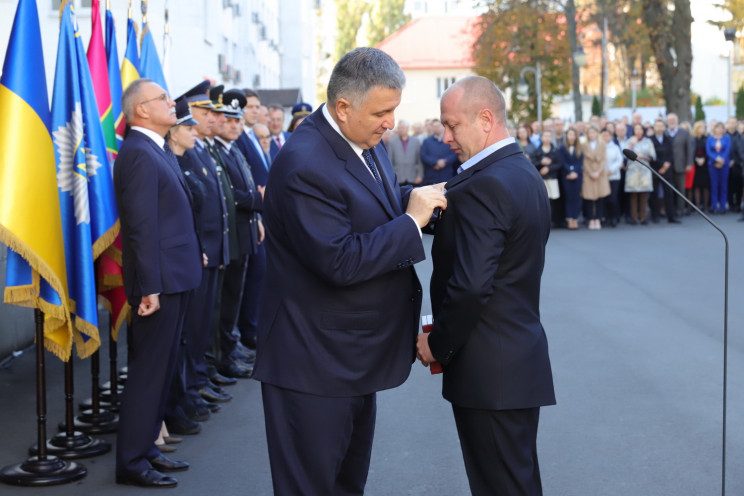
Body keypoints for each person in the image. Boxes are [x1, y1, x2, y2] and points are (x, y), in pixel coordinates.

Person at [253, 47, 447, 495]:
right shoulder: (306, 163)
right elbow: (339, 260)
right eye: (382, 111)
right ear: (344, 107)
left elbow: (376, 201)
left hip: (349, 356)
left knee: (346, 484)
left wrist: (428, 204)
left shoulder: (359, 139)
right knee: (312, 486)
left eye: (394, 110)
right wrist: (411, 221)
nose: (391, 123)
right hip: (313, 363)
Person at [416, 75, 554, 496]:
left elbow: (472, 286)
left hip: (490, 370)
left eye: (452, 125)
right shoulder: (520, 172)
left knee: (501, 486)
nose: (445, 137)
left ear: (486, 119)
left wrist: (436, 344)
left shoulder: (487, 183)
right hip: (514, 362)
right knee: (514, 481)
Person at [114, 79, 202, 488]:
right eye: (163, 99)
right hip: (158, 284)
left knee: (164, 367)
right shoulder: (137, 153)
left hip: (174, 275)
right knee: (149, 372)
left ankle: (146, 447)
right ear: (142, 110)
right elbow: (140, 226)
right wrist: (148, 285)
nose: (172, 103)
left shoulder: (155, 148)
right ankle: (131, 461)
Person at [531, 129, 563, 227]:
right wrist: (541, 163)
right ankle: (543, 221)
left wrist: (549, 168)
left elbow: (560, 164)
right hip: (541, 180)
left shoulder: (555, 150)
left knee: (553, 200)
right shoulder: (537, 151)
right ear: (541, 138)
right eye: (545, 136)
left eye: (549, 136)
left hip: (552, 178)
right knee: (543, 201)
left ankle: (553, 221)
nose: (547, 138)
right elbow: (532, 163)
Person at [649, 120, 679, 223]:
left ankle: (671, 216)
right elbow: (650, 156)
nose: (659, 128)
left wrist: (666, 165)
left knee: (669, 193)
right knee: (655, 194)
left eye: (661, 126)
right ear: (654, 127)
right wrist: (661, 165)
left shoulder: (668, 139)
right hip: (655, 170)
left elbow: (671, 153)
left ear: (664, 127)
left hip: (667, 170)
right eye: (657, 126)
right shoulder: (650, 140)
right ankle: (655, 216)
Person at [625, 123, 655, 224]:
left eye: (640, 129)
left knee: (643, 194)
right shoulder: (629, 141)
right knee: (633, 195)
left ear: (643, 131)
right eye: (636, 129)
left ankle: (643, 217)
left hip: (644, 170)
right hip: (633, 171)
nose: (638, 131)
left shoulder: (648, 141)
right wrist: (632, 144)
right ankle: (634, 217)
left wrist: (643, 157)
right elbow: (625, 155)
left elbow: (652, 156)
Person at [581, 124, 609, 230]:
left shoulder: (602, 144)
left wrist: (598, 172)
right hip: (588, 174)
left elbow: (603, 159)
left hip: (600, 174)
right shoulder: (584, 145)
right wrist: (590, 172)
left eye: (594, 132)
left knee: (599, 198)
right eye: (590, 132)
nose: (592, 134)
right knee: (589, 198)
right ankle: (591, 219)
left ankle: (598, 218)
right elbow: (583, 161)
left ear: (597, 133)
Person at [666, 113, 695, 215]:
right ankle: (670, 210)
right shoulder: (665, 132)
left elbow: (689, 150)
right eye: (670, 120)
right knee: (669, 189)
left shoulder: (684, 132)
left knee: (680, 189)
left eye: (673, 120)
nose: (672, 122)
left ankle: (680, 209)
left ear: (677, 121)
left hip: (680, 165)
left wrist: (689, 163)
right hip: (667, 166)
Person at [558, 127, 583, 229]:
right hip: (567, 176)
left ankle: (575, 218)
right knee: (569, 198)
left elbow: (580, 162)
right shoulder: (562, 148)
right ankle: (570, 219)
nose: (571, 136)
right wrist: (570, 172)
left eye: (573, 134)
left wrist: (575, 172)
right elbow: (563, 162)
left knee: (576, 198)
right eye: (569, 134)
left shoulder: (580, 148)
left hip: (577, 176)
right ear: (566, 136)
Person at [420, 118, 458, 184]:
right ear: (431, 128)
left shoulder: (450, 140)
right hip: (431, 176)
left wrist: (445, 161)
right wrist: (435, 162)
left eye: (438, 126)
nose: (436, 128)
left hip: (446, 175)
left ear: (442, 126)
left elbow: (455, 154)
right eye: (434, 126)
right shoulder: (427, 141)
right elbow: (423, 155)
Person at [387, 119, 424, 186]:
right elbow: (389, 161)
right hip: (398, 177)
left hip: (412, 176)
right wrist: (391, 177)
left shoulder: (415, 141)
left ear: (407, 128)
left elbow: (419, 160)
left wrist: (420, 175)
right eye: (399, 128)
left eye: (403, 128)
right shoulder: (392, 142)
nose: (401, 129)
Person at [707, 121, 731, 213]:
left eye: (721, 128)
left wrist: (722, 160)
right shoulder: (710, 138)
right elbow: (709, 151)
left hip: (724, 164)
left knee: (723, 186)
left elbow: (727, 150)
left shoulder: (727, 138)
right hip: (713, 165)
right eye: (718, 128)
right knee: (714, 186)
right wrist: (716, 159)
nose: (719, 130)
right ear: (715, 129)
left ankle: (723, 206)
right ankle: (714, 206)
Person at [691, 121, 710, 211]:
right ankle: (697, 205)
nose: (703, 130)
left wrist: (704, 158)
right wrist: (696, 159)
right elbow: (691, 151)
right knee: (697, 185)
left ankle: (705, 205)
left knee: (705, 185)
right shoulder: (692, 139)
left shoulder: (707, 138)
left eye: (704, 128)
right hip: (696, 164)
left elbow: (708, 150)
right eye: (701, 128)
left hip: (705, 164)